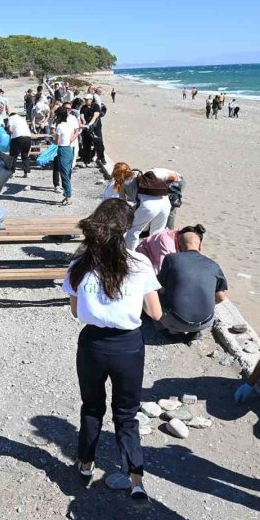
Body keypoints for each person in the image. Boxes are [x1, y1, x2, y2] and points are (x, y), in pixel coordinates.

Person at [62, 199, 163, 502]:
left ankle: (85, 464)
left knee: (91, 407)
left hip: (92, 344)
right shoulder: (139, 263)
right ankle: (136, 479)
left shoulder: (79, 264)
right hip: (128, 346)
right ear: (126, 229)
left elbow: (76, 312)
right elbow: (156, 314)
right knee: (126, 414)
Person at [156, 226, 227, 343]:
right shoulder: (213, 265)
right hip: (206, 322)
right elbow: (221, 297)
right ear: (200, 246)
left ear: (178, 246)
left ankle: (172, 332)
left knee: (154, 291)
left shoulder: (170, 259)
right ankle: (195, 331)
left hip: (176, 322)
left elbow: (161, 290)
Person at [124, 168, 181, 250]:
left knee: (133, 231)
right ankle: (153, 256)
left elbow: (131, 200)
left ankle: (131, 255)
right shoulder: (155, 174)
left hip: (149, 206)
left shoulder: (128, 182)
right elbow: (174, 177)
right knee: (156, 234)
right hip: (165, 203)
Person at [52, 107, 78, 205]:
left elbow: (57, 142)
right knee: (67, 173)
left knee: (64, 175)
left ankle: (68, 197)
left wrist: (51, 139)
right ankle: (67, 194)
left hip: (62, 150)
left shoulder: (59, 127)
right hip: (69, 149)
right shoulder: (68, 125)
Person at [6, 112, 32, 180]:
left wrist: (8, 134)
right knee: (25, 155)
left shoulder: (11, 118)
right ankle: (26, 173)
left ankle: (12, 173)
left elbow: (10, 129)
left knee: (13, 156)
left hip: (18, 137)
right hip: (28, 137)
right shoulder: (22, 118)